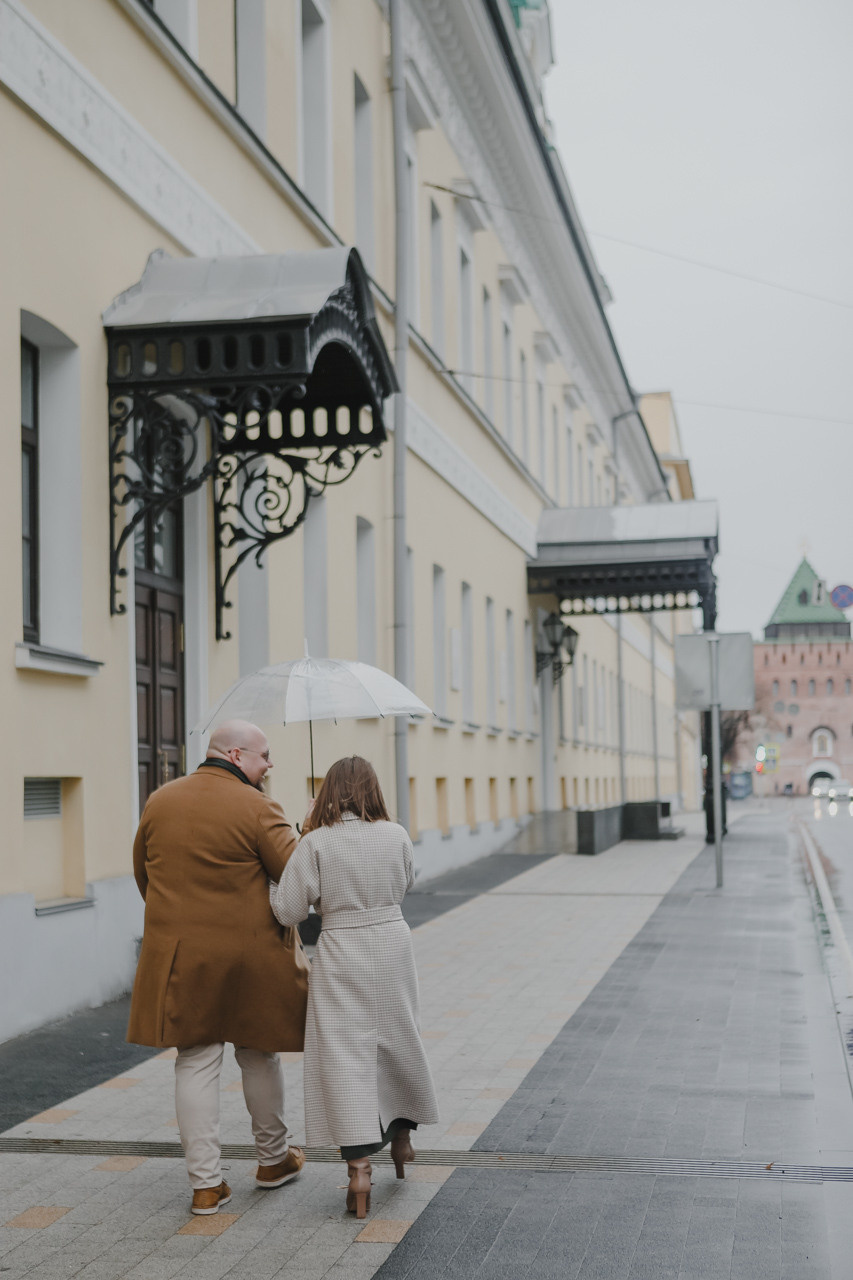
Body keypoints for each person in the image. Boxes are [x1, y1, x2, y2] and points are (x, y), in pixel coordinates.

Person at [127, 719, 309, 1215]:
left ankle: (206, 1185)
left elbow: (144, 873)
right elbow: (295, 880)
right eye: (264, 755)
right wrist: (306, 836)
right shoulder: (258, 806)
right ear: (235, 755)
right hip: (252, 959)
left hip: (183, 956)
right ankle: (273, 1160)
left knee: (196, 1059)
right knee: (258, 1054)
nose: (270, 765)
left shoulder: (159, 800)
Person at [269, 756, 439, 1219]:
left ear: (327, 793)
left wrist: (304, 838)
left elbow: (288, 911)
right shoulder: (396, 833)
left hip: (342, 950)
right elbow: (407, 883)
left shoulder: (317, 842)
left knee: (346, 1055)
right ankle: (401, 1143)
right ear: (372, 790)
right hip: (392, 944)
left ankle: (359, 1171)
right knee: (397, 1039)